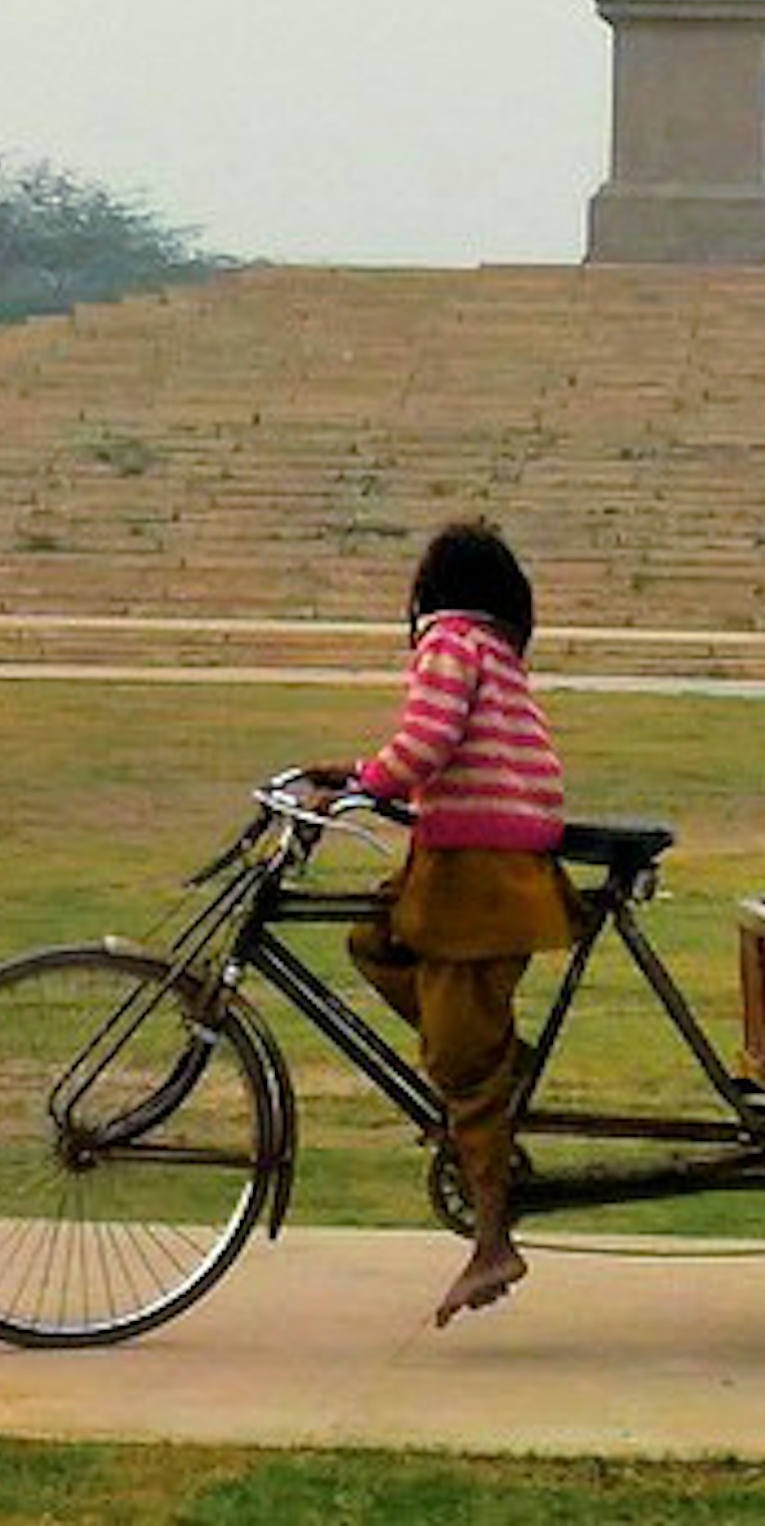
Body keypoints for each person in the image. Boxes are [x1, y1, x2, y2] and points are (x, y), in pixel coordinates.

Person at [309, 520, 572, 1329]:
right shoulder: (491, 648)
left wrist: (359, 780)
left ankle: (493, 1239)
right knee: (373, 940)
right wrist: (357, 777)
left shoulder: (451, 642)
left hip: (479, 877)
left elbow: (426, 743)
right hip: (467, 863)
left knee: (462, 1065)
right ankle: (503, 1069)